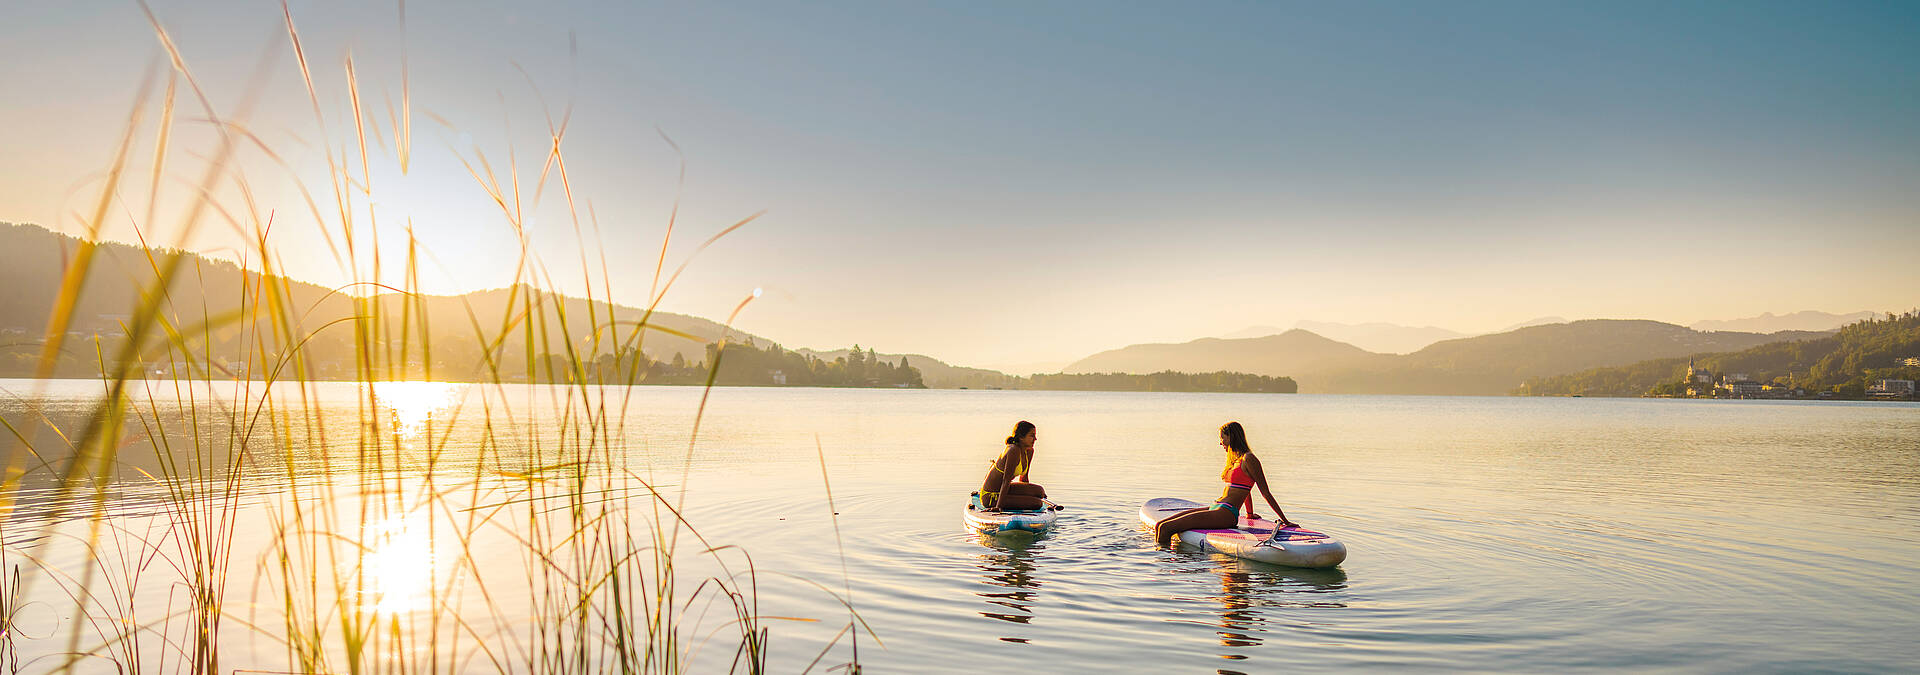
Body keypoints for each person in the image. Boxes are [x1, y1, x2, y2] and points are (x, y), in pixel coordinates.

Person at [1154, 421, 1295, 547]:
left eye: (1222, 438)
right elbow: (1246, 489)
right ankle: (1165, 556)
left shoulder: (1249, 459)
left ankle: (1165, 566)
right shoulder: (1235, 460)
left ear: (1231, 437)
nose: (1220, 442)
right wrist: (1250, 514)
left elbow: (1265, 493)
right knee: (1160, 525)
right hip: (1217, 507)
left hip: (1226, 514)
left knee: (1166, 528)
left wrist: (1285, 521)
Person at [979, 420, 1048, 511]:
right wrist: (998, 507)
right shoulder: (1013, 450)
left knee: (1040, 491)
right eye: (1032, 436)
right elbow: (1006, 480)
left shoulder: (1029, 451)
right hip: (991, 496)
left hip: (1004, 490)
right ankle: (1000, 503)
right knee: (1037, 503)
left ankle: (1015, 499)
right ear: (1021, 437)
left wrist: (1031, 494)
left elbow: (1024, 479)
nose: (1035, 439)